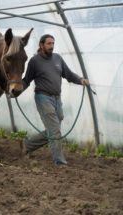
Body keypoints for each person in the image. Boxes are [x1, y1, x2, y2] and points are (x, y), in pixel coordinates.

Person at [19, 34, 89, 165]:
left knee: (53, 129)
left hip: (57, 99)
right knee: (55, 129)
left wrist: (80, 80)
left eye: (53, 43)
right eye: (49, 44)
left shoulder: (58, 58)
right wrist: (16, 91)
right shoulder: (34, 61)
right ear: (41, 45)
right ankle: (59, 161)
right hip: (43, 98)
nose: (51, 46)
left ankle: (27, 145)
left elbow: (68, 74)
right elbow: (26, 80)